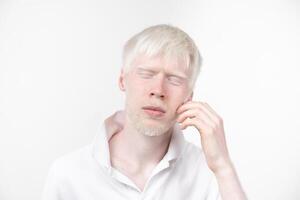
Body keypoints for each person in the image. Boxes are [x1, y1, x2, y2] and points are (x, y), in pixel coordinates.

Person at [42, 24, 247, 200]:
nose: (158, 90)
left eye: (174, 79)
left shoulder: (207, 172)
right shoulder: (67, 174)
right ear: (122, 80)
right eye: (146, 74)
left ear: (189, 96)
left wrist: (222, 166)